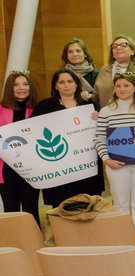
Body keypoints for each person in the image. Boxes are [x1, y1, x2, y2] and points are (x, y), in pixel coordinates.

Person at [33, 69, 105, 208]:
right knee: (62, 208)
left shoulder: (88, 105)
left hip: (86, 166)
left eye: (70, 81)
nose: (66, 85)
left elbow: (100, 132)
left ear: (76, 84)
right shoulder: (45, 106)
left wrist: (99, 119)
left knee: (88, 206)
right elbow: (34, 131)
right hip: (61, 168)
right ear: (55, 86)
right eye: (61, 82)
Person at [94, 71, 135, 247]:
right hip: (116, 164)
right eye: (118, 86)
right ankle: (122, 243)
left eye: (126, 85)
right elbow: (99, 138)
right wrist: (106, 159)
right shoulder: (106, 111)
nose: (122, 89)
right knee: (120, 205)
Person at [0, 72, 40, 222]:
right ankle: (15, 243)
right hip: (6, 169)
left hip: (31, 169)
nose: (21, 88)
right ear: (9, 88)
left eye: (25, 84)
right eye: (16, 84)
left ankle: (35, 243)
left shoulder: (38, 109)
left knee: (32, 209)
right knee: (11, 210)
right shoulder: (0, 109)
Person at [93, 34, 135, 107]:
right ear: (113, 54)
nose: (118, 48)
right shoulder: (105, 70)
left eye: (123, 45)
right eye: (115, 46)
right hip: (109, 115)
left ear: (132, 51)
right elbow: (96, 97)